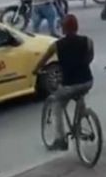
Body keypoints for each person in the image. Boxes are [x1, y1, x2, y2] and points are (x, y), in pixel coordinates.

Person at [32, 14, 94, 151]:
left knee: (57, 105)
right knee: (80, 94)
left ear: (63, 29)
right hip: (87, 80)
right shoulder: (88, 41)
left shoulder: (56, 45)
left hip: (69, 85)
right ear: (77, 27)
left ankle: (60, 139)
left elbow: (43, 61)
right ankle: (81, 120)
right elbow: (90, 57)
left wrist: (36, 70)